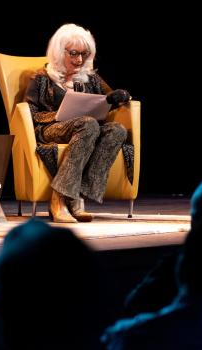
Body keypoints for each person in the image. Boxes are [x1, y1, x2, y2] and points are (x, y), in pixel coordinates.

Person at [25, 23, 132, 223]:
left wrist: (119, 96)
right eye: (74, 53)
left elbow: (109, 96)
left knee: (117, 130)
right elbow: (29, 113)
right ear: (59, 52)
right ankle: (59, 200)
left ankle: (75, 196)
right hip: (50, 129)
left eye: (84, 54)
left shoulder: (90, 78)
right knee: (88, 124)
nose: (79, 60)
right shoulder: (41, 78)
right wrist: (59, 115)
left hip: (85, 127)